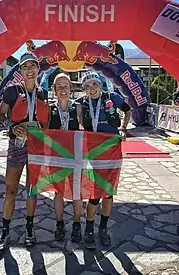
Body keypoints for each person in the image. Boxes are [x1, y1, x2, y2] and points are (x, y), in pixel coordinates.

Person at [0, 53, 48, 254]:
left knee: (32, 189)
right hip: (16, 145)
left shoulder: (43, 93)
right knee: (11, 189)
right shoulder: (11, 91)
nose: (30, 70)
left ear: (38, 69)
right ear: (20, 71)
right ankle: (5, 232)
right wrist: (11, 126)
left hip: (36, 147)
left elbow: (46, 121)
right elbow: (0, 115)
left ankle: (29, 229)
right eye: (26, 67)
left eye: (33, 65)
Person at [77, 71, 131, 249]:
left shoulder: (112, 97)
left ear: (100, 84)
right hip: (94, 151)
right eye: (87, 86)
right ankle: (89, 229)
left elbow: (127, 109)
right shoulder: (81, 103)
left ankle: (103, 228)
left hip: (112, 149)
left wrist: (123, 128)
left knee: (108, 191)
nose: (92, 89)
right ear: (83, 89)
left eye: (94, 84)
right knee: (94, 193)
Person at [48, 73, 83, 243]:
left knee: (77, 192)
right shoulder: (49, 109)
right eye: (59, 86)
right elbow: (44, 133)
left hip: (75, 156)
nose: (63, 89)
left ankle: (77, 224)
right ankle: (59, 224)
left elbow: (88, 130)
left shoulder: (77, 107)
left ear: (71, 89)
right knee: (59, 192)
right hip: (57, 157)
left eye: (66, 86)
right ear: (54, 90)